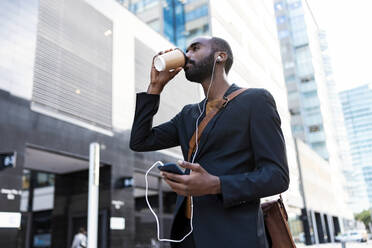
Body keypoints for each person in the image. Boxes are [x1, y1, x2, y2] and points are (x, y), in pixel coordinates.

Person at [130, 36, 289, 248]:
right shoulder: (188, 114)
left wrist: (216, 185)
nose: (187, 55)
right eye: (186, 50)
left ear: (220, 57)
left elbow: (277, 176)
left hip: (235, 238)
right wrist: (155, 87)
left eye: (195, 48)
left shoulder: (256, 100)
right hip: (187, 238)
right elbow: (140, 141)